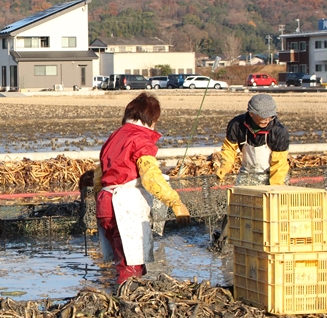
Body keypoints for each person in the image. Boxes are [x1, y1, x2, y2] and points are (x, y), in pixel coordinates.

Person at [87, 92, 190, 284]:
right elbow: (151, 176)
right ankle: (125, 304)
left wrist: (99, 202)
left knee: (124, 260)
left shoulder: (114, 137)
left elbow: (99, 178)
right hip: (125, 205)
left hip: (106, 203)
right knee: (131, 265)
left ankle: (122, 296)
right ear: (151, 119)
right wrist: (174, 201)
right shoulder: (141, 140)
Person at [215, 93, 290, 186]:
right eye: (263, 116)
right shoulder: (236, 125)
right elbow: (229, 149)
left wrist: (275, 187)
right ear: (251, 113)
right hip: (247, 174)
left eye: (270, 116)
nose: (267, 120)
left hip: (273, 175)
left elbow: (279, 164)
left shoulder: (279, 132)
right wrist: (225, 166)